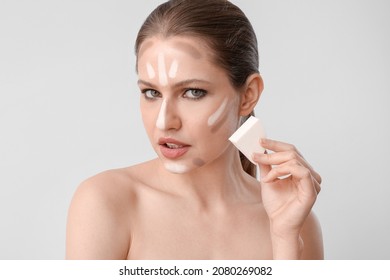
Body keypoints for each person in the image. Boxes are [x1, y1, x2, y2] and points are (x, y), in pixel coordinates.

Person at [66, 0, 323, 260]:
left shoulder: (294, 221)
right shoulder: (106, 202)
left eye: (193, 92)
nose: (164, 122)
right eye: (151, 92)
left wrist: (284, 239)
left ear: (248, 95)